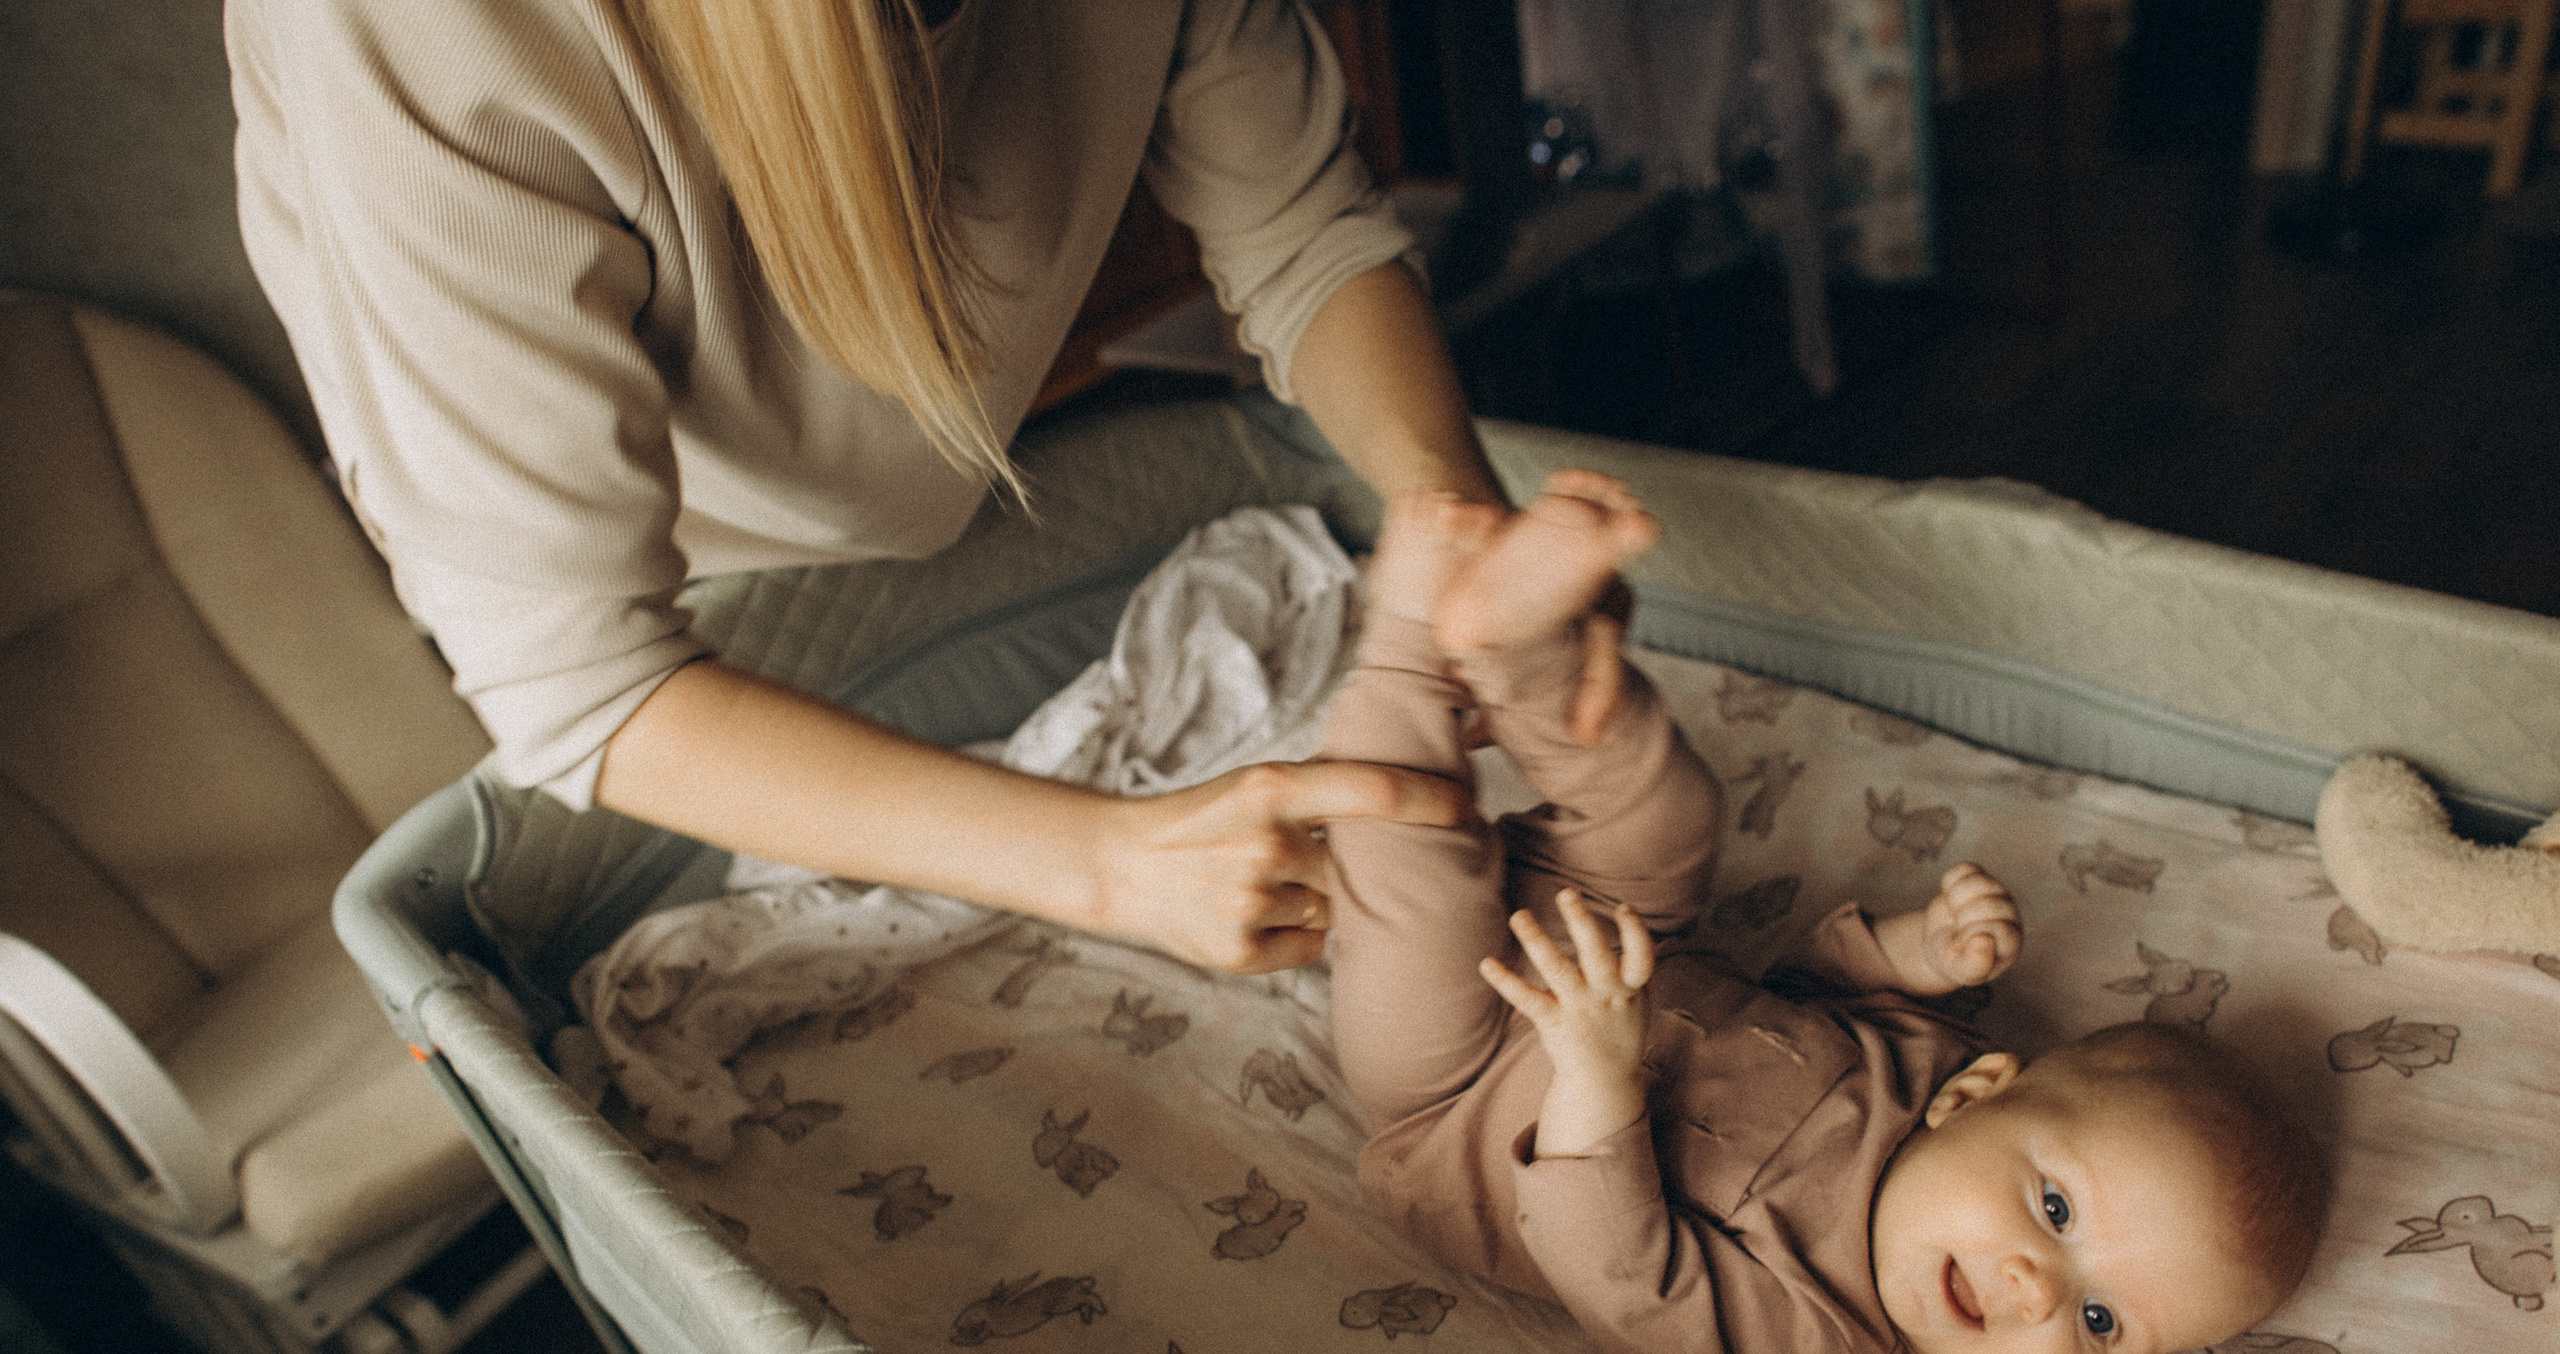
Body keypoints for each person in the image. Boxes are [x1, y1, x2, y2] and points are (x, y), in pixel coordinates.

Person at [225, 0, 1627, 975]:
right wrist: (1113, 864)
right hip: (670, 582)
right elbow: (578, 678)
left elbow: (1302, 226)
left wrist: (1454, 526)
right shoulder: (423, 35)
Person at [1319, 481, 2328, 1354]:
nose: (2034, 1288)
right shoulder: (1922, 1066)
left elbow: (1625, 1280)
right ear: (1973, 1095)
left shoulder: (1812, 1343)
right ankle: (1519, 649)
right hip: (1631, 938)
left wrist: (1593, 1078)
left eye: (2099, 1324)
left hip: (1456, 1093)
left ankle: (1408, 642)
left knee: (1412, 892)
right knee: (1668, 817)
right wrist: (1916, 952)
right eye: (2053, 1207)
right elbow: (1812, 990)